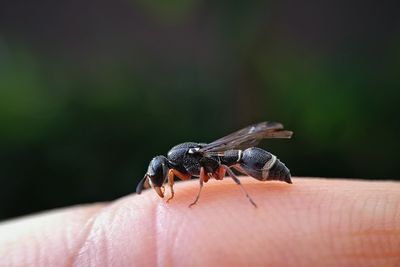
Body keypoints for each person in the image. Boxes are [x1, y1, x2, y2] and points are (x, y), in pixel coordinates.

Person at [0, 178, 399, 266]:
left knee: (235, 166)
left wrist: (243, 194)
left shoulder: (196, 163)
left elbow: (220, 168)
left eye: (161, 181)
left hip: (253, 169)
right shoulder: (176, 169)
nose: (162, 185)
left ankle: (246, 191)